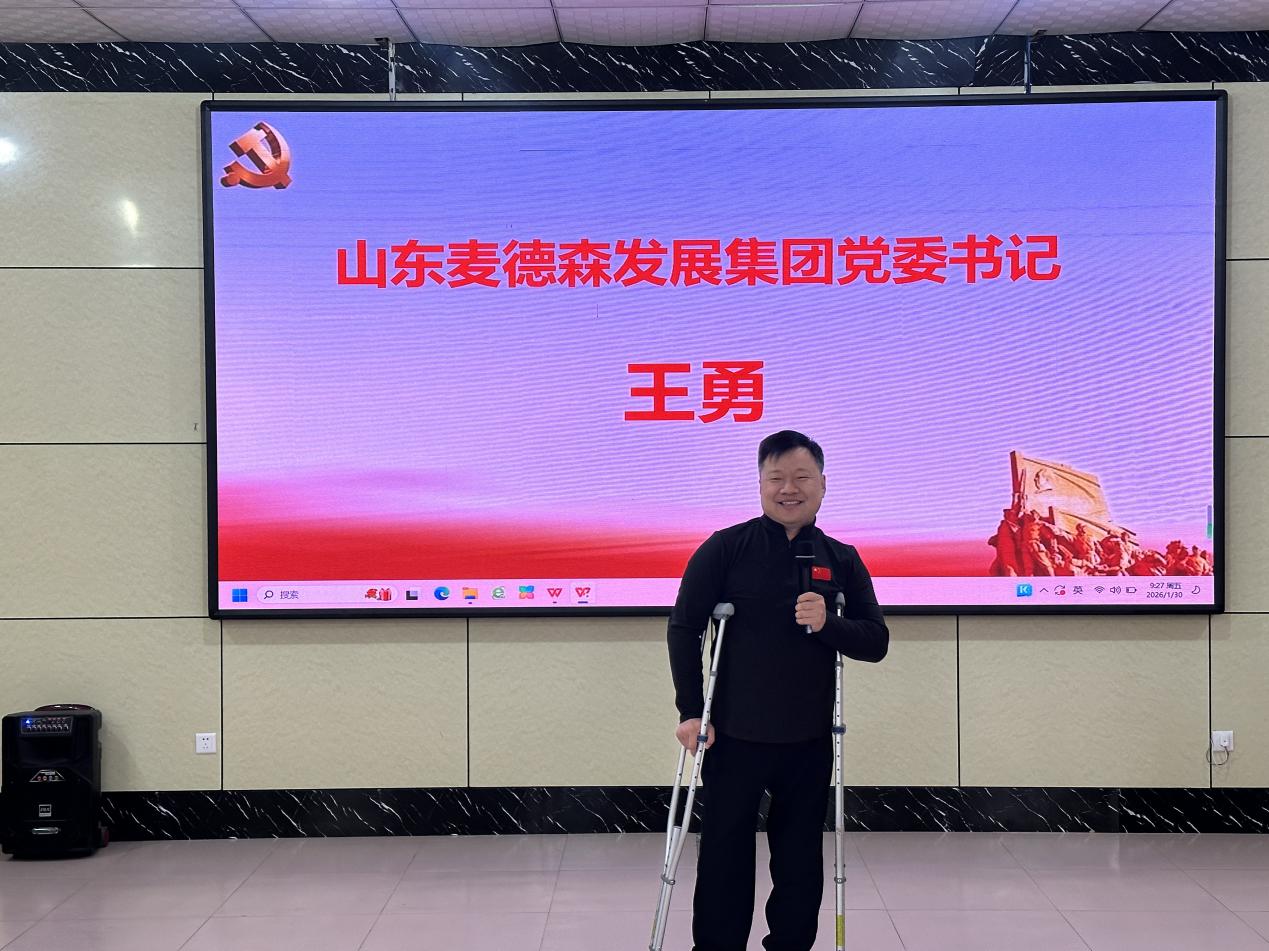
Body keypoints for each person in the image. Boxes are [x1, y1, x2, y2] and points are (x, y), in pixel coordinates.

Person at [667, 430, 889, 951]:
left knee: (799, 859)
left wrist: (829, 624)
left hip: (808, 738)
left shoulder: (841, 558)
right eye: (777, 478)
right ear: (761, 485)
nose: (789, 489)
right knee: (724, 854)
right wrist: (691, 711)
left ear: (822, 484)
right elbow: (684, 628)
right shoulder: (726, 548)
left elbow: (876, 641)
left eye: (802, 477)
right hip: (733, 735)